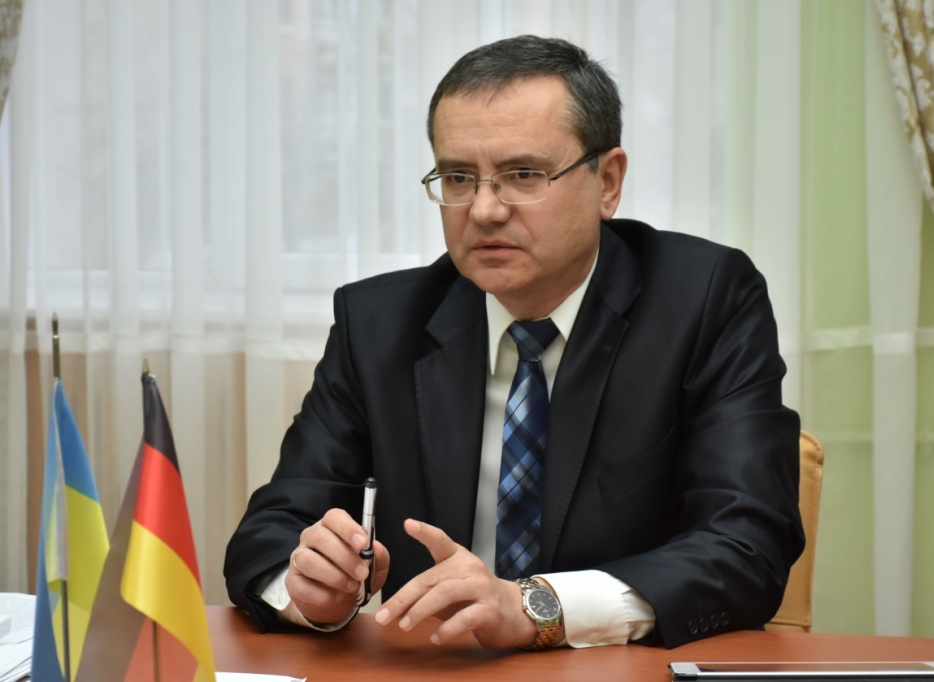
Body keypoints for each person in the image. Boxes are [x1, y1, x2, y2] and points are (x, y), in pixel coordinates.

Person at [224, 34, 803, 650]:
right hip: (434, 669)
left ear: (608, 181)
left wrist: (535, 607)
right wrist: (308, 589)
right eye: (458, 177)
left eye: (522, 175)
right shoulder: (378, 323)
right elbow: (272, 532)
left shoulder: (704, 300)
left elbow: (746, 544)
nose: (484, 210)